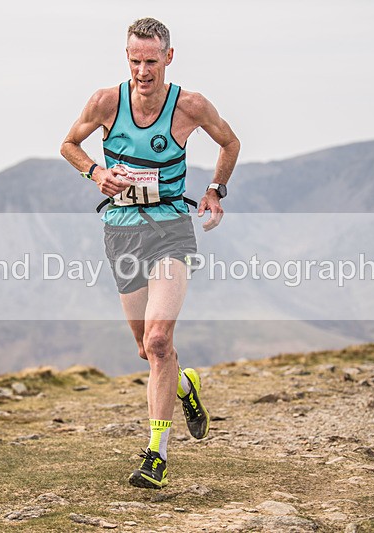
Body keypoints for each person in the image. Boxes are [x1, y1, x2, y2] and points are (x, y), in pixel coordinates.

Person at [60, 17, 240, 489]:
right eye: (136, 61)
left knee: (160, 341)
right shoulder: (105, 102)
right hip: (120, 233)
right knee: (146, 349)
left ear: (169, 57)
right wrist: (95, 173)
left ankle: (155, 454)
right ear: (127, 58)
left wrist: (215, 190)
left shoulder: (191, 106)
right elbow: (68, 144)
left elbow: (230, 140)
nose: (143, 71)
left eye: (152, 61)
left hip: (171, 231)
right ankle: (185, 385)